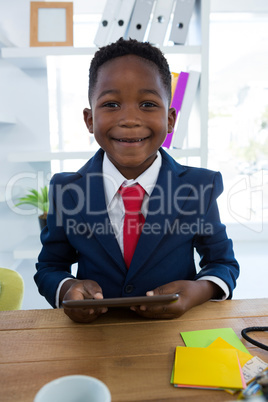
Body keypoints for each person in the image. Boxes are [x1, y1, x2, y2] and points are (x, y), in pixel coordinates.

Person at [35, 38, 239, 323]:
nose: (130, 119)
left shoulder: (199, 187)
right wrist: (68, 288)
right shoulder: (67, 190)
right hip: (94, 338)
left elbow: (222, 263)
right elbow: (50, 266)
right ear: (90, 119)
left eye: (147, 104)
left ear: (170, 120)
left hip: (174, 333)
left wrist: (198, 291)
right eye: (111, 104)